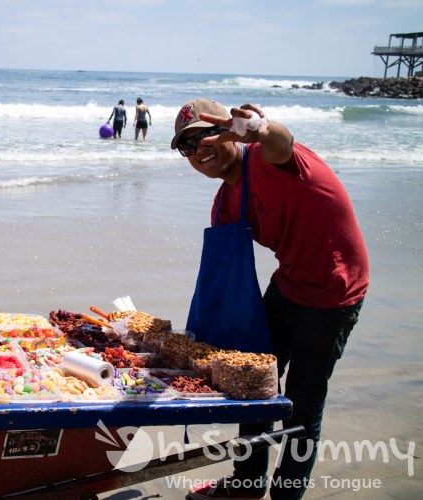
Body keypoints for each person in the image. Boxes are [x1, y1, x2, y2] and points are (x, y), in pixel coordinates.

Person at [170, 99, 369, 500]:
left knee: (301, 406)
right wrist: (196, 349)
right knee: (253, 385)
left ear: (229, 130)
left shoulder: (267, 159)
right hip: (289, 283)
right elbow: (223, 284)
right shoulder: (226, 201)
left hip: (333, 292)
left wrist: (259, 128)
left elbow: (281, 142)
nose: (199, 149)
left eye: (205, 134)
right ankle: (247, 485)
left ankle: (285, 496)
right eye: (186, 146)